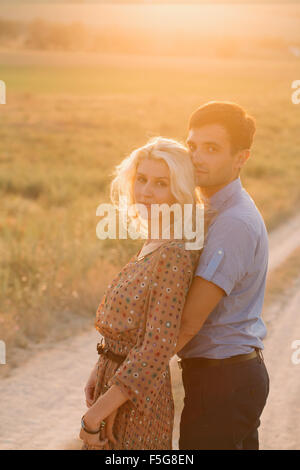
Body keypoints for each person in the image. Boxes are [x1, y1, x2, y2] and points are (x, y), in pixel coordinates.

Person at [79, 137, 203, 450]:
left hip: (138, 402)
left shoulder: (173, 254)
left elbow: (157, 348)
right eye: (141, 179)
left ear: (180, 193)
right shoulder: (153, 244)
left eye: (161, 183)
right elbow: (132, 329)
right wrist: (101, 366)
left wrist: (95, 416)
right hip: (116, 383)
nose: (146, 191)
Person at [174, 101, 270, 450]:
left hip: (224, 383)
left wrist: (127, 380)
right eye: (192, 146)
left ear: (241, 158)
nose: (196, 157)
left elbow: (188, 322)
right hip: (227, 379)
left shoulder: (233, 222)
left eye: (211, 149)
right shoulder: (210, 210)